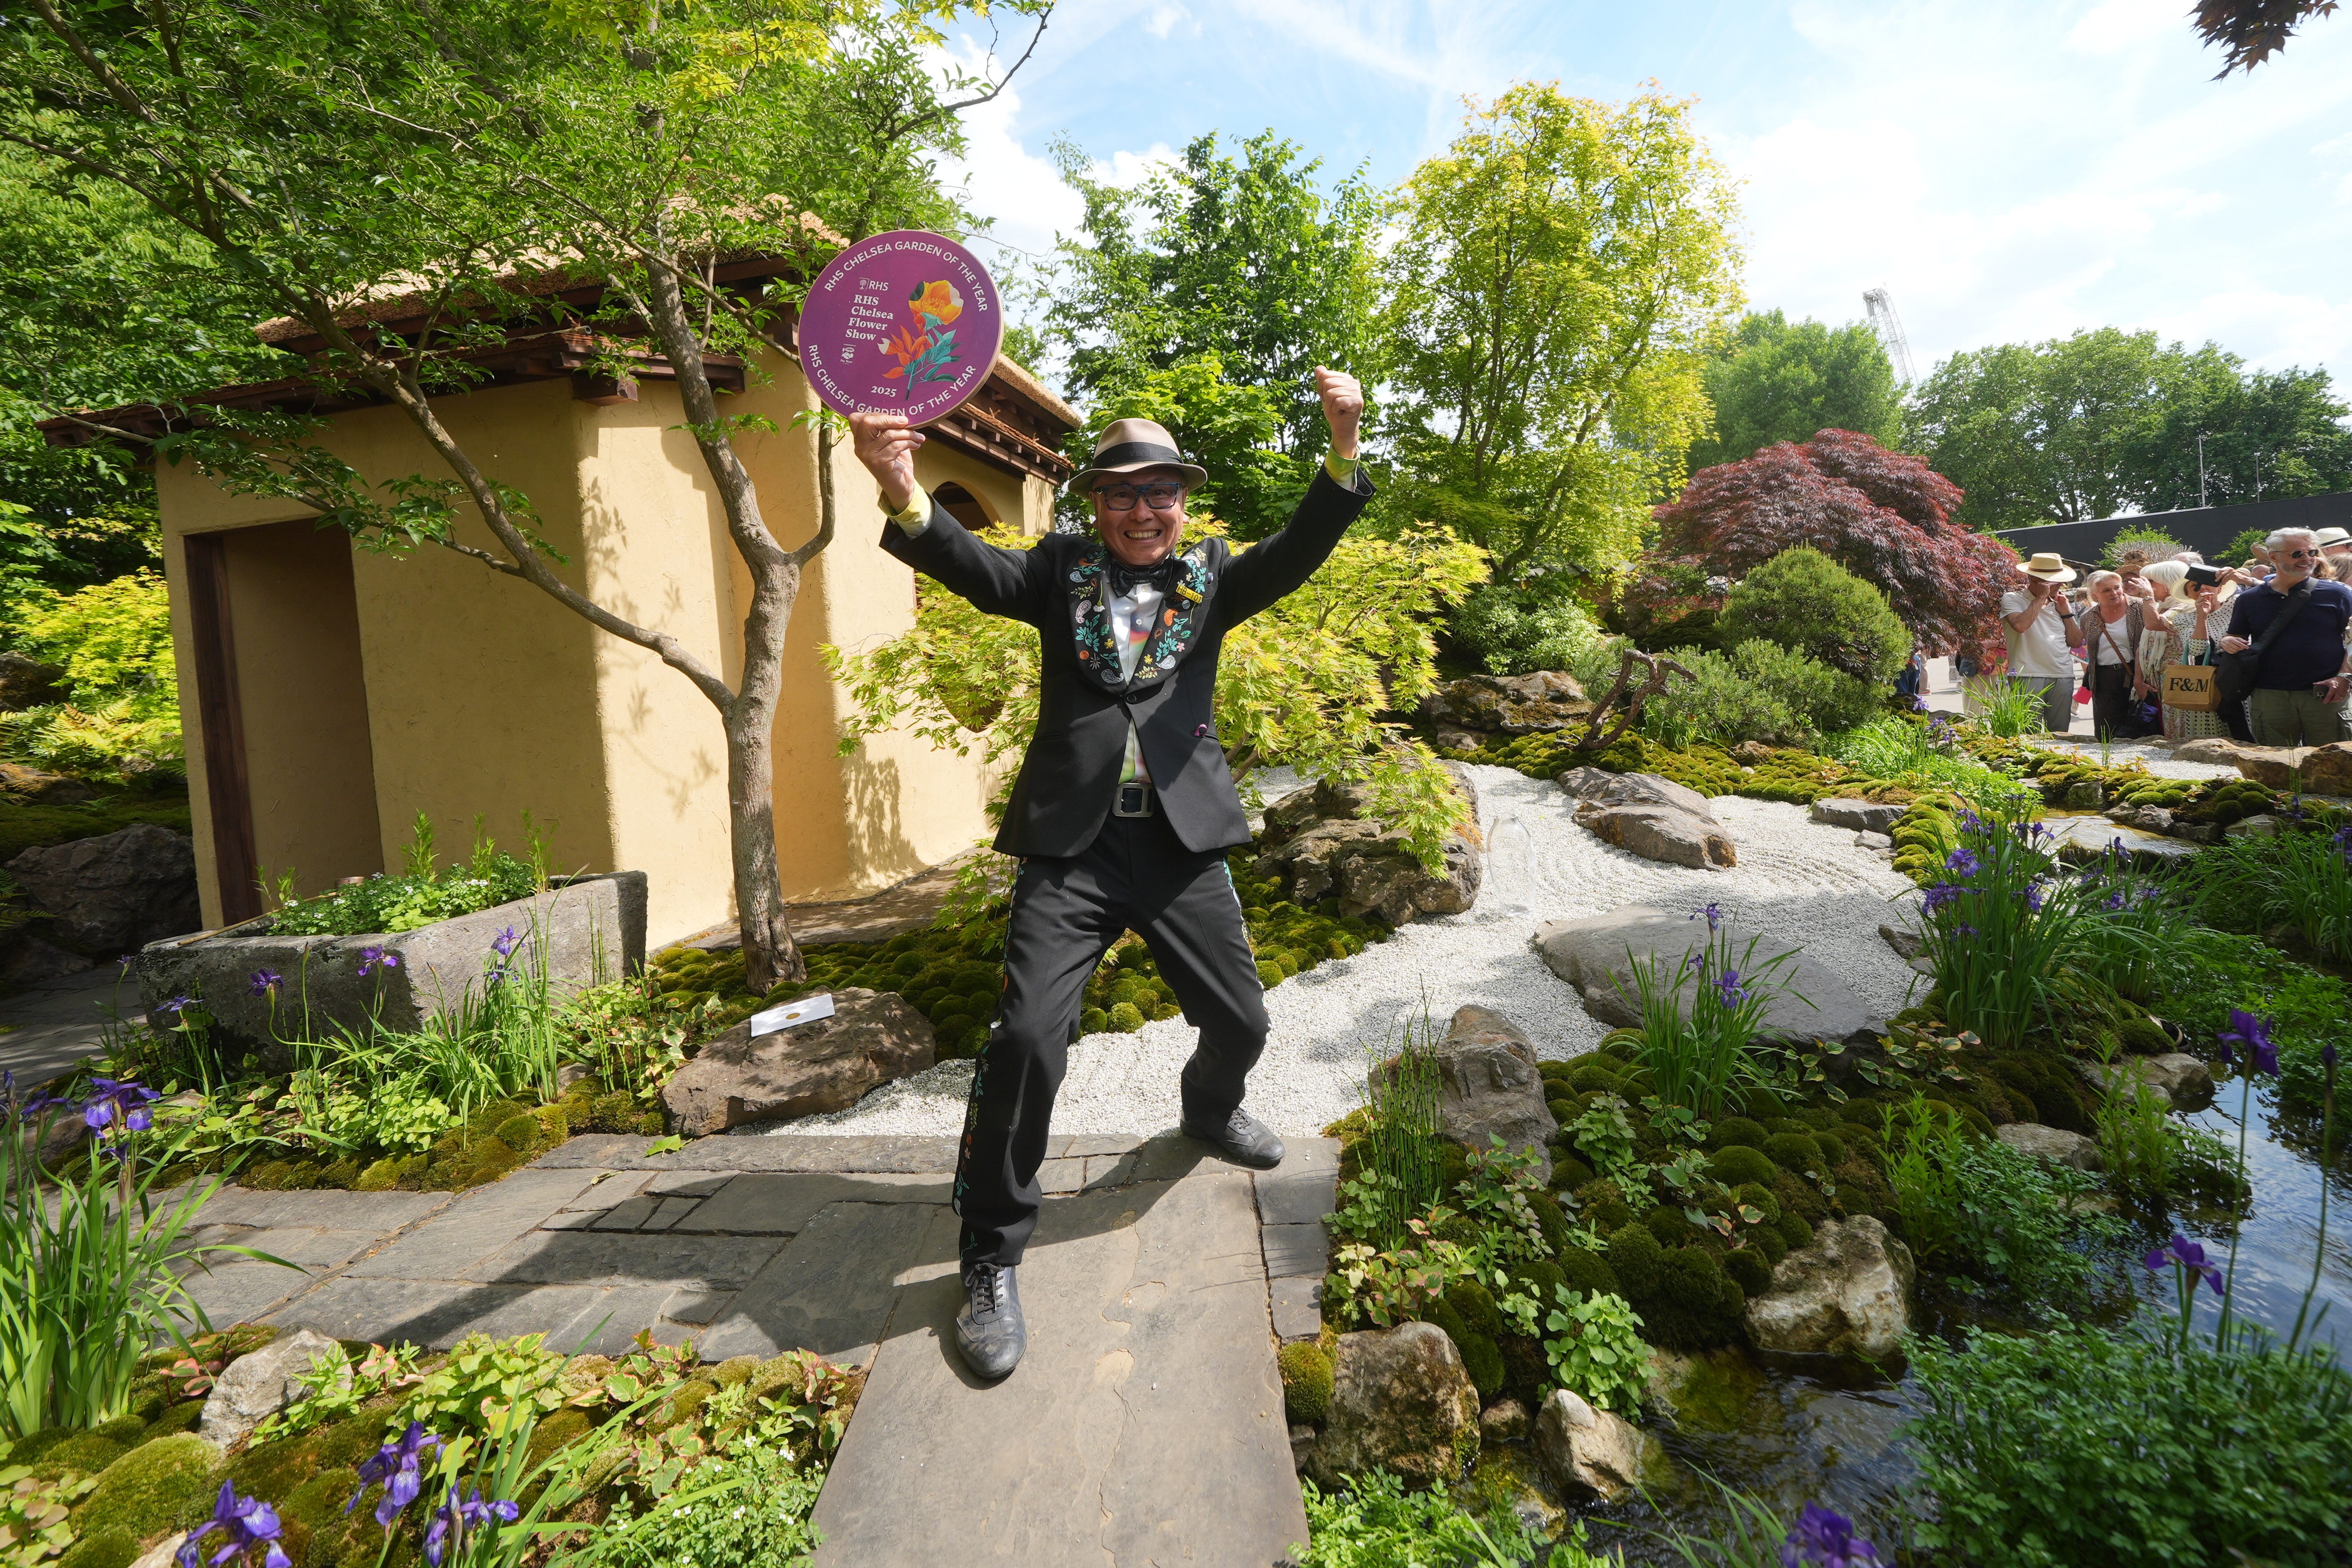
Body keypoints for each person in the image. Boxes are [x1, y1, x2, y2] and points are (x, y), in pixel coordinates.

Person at [848, 370, 1371, 1381]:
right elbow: (972, 567)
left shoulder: (1213, 575)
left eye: (1161, 491)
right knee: (1029, 1039)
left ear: (1182, 499)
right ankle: (990, 1256)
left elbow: (1298, 550)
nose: (1143, 510)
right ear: (1097, 502)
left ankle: (1210, 1107)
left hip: (1180, 850)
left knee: (1245, 1020)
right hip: (1073, 852)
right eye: (1124, 493)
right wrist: (899, 485)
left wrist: (1342, 446)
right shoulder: (1059, 572)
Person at [2219, 527, 2352, 747]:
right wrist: (2227, 642)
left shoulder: (2338, 594)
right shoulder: (2249, 600)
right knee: (2276, 766)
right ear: (2273, 557)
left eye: (2312, 553)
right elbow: (2234, 637)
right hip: (2270, 695)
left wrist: (2344, 677)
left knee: (2332, 767)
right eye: (2297, 554)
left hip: (2326, 693)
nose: (2307, 559)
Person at [2136, 561, 2234, 743]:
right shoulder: (2172, 611)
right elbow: (2145, 645)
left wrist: (2242, 579)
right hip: (2186, 682)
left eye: (2151, 581)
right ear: (2187, 591)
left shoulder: (2186, 609)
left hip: (2217, 680)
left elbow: (2153, 624)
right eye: (2195, 586)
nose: (2203, 589)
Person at [1999, 553, 2086, 733]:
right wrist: (2040, 598)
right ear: (2033, 578)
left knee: (2060, 732)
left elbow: (2076, 642)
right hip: (2027, 673)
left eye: (2061, 580)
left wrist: (2067, 613)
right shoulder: (2013, 599)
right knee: (2028, 732)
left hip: (2063, 673)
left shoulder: (2061, 603)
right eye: (2053, 581)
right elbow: (2020, 626)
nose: (2060, 585)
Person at [2075, 570, 2148, 739]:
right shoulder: (2089, 617)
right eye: (2106, 591)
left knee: (2139, 727)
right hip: (2104, 678)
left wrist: (2140, 677)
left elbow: (2146, 645)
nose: (2114, 593)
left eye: (2117, 588)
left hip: (2137, 674)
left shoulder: (2140, 608)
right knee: (2106, 731)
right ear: (2095, 595)